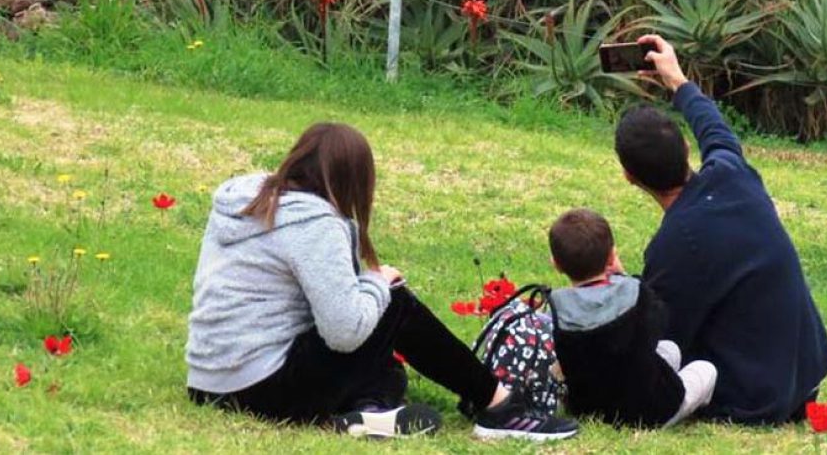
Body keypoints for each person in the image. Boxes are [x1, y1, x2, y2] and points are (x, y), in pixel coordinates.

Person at [185, 122, 578, 441]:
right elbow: (343, 331)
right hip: (261, 389)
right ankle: (498, 405)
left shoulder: (248, 201)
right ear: (353, 181)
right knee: (395, 305)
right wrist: (376, 282)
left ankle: (370, 412)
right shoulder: (313, 223)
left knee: (386, 370)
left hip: (208, 383)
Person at [613, 35, 827, 425]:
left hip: (754, 399)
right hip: (804, 380)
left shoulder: (674, 245)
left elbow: (659, 336)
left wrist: (616, 289)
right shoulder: (733, 175)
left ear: (629, 177)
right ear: (686, 146)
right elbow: (715, 128)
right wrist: (677, 80)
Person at [546, 208, 717, 428]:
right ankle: (692, 412)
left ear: (556, 264)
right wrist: (623, 276)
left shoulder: (557, 308)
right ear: (611, 256)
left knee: (670, 349)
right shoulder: (635, 294)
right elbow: (660, 320)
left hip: (589, 407)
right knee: (705, 369)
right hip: (649, 410)